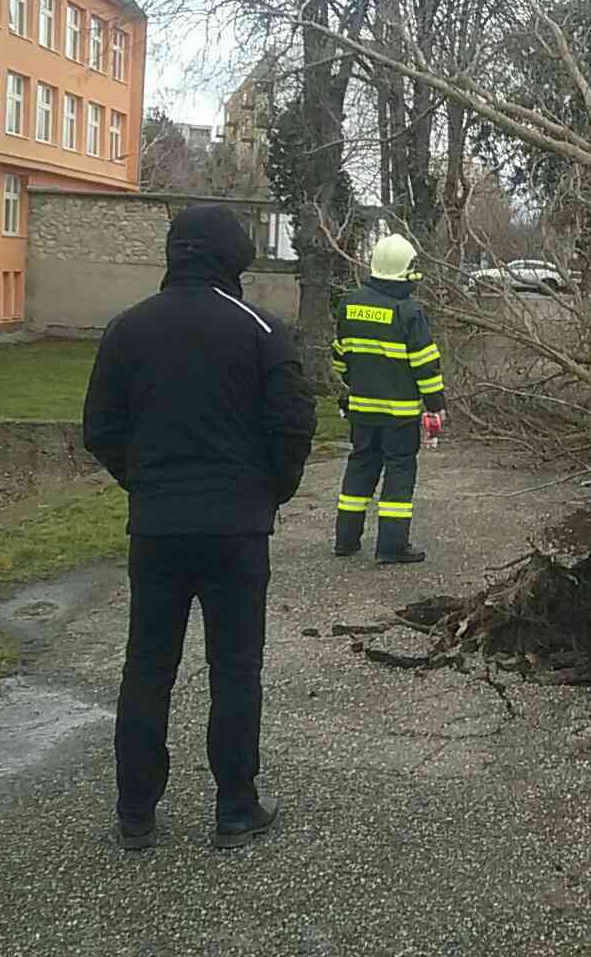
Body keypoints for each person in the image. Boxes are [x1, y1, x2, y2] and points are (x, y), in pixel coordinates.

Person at [83, 204, 315, 851]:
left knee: (147, 666)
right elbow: (295, 422)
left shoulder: (127, 330)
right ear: (233, 258)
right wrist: (268, 492)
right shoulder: (262, 330)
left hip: (156, 528)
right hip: (237, 530)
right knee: (236, 669)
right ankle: (236, 810)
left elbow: (99, 430)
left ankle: (135, 814)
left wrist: (147, 484)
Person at [332, 233, 446, 563]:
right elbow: (426, 364)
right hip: (399, 415)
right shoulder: (408, 312)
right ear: (404, 271)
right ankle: (392, 547)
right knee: (398, 475)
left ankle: (346, 540)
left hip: (362, 411)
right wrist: (436, 405)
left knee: (360, 468)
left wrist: (357, 382)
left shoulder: (349, 304)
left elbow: (341, 356)